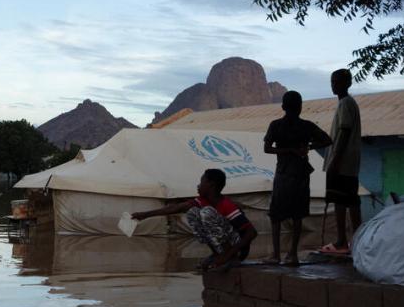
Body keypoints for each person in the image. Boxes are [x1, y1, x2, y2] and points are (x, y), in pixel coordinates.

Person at [131, 169, 257, 270]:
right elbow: (177, 208)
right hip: (225, 248)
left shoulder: (226, 205)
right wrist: (145, 215)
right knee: (193, 213)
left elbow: (251, 233)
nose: (198, 185)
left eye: (202, 182)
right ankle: (217, 254)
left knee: (207, 213)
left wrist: (228, 255)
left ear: (211, 185)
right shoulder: (202, 201)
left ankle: (229, 257)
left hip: (238, 249)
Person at [263, 91, 332, 266]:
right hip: (300, 173)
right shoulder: (306, 126)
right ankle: (292, 254)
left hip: (284, 173)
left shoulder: (276, 125)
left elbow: (267, 149)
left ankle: (276, 255)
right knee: (297, 215)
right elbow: (327, 140)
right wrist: (306, 147)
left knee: (277, 215)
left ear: (283, 107)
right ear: (300, 107)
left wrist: (288, 150)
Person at [321, 69, 362, 254]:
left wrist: (335, 160)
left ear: (347, 84)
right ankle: (359, 240)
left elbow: (344, 132)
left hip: (342, 163)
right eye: (332, 81)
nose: (333, 85)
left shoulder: (346, 103)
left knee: (340, 201)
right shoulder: (348, 103)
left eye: (336, 82)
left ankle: (341, 241)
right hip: (349, 164)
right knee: (352, 201)